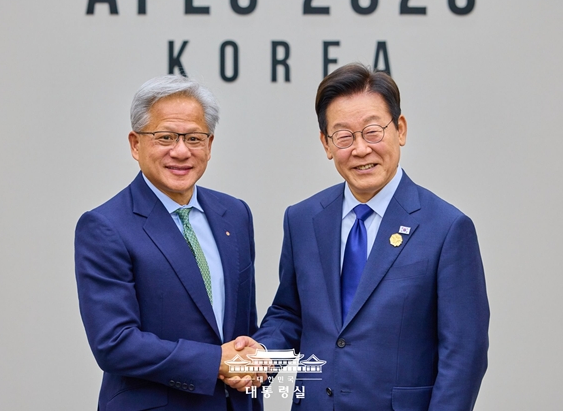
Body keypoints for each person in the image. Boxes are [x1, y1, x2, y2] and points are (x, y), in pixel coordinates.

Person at [247, 63, 489, 411]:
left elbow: (464, 353)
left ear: (400, 130)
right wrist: (261, 356)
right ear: (326, 144)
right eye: (344, 137)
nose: (360, 149)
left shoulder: (447, 228)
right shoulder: (302, 219)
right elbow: (290, 313)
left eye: (373, 131)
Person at [74, 75, 260, 411]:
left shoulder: (234, 214)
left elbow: (243, 326)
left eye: (193, 138)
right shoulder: (105, 226)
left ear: (210, 144)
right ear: (135, 144)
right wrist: (215, 361)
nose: (181, 151)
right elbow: (114, 343)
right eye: (165, 137)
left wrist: (255, 355)